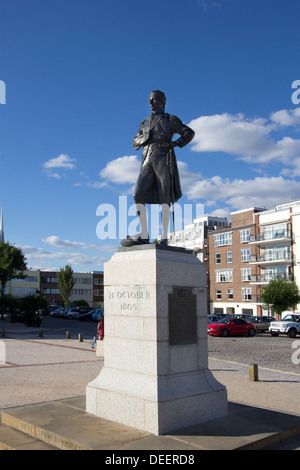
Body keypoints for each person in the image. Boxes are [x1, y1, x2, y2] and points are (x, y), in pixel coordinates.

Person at [121, 90, 195, 247]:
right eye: (149, 99)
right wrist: (144, 137)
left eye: (154, 99)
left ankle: (164, 235)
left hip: (163, 157)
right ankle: (144, 233)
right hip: (147, 158)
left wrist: (176, 143)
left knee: (165, 196)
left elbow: (188, 132)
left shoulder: (170, 119)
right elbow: (135, 140)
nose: (151, 102)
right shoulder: (145, 122)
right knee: (137, 194)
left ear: (162, 102)